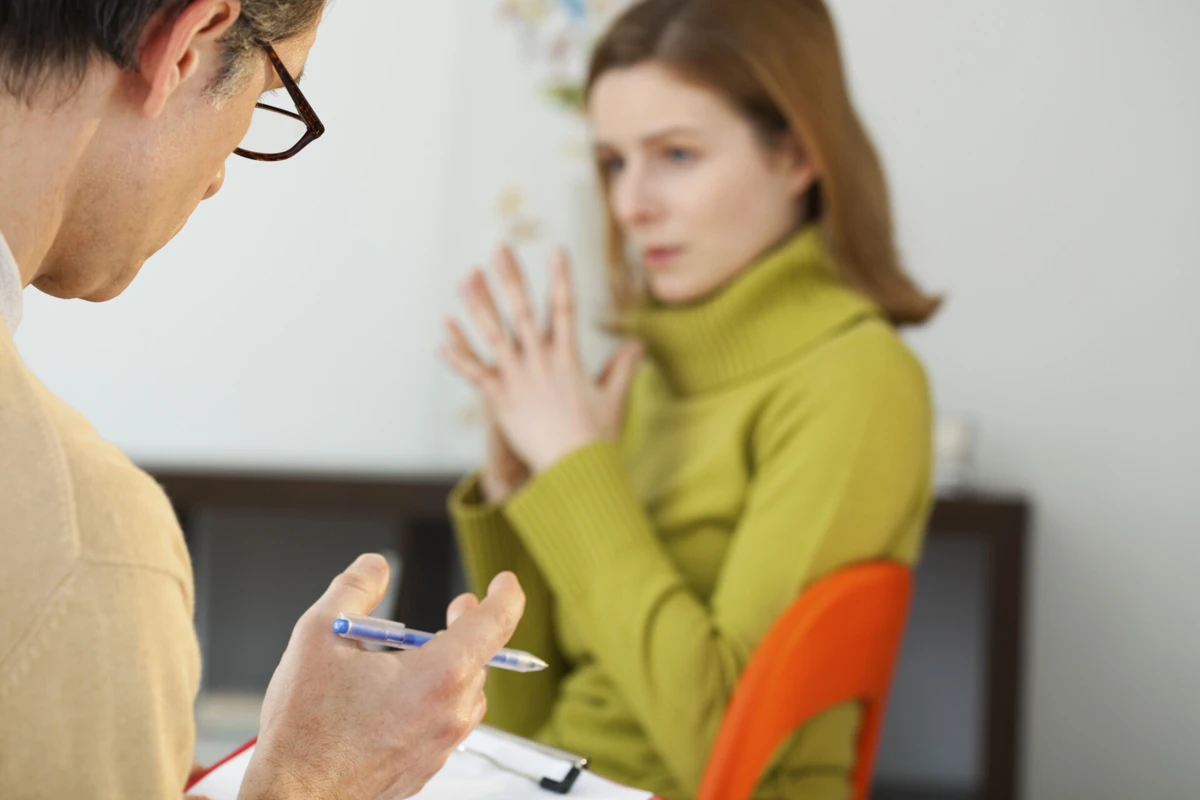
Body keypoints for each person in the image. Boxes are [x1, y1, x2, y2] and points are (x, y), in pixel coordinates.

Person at [0, 1, 526, 798]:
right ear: (184, 46)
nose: (216, 179)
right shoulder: (89, 543)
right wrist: (310, 779)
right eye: (271, 97)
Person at [440, 0, 940, 798]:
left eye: (675, 154)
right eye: (612, 163)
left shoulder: (858, 379)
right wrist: (524, 506)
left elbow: (724, 747)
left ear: (798, 155)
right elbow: (529, 732)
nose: (633, 205)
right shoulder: (644, 374)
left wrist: (576, 471)